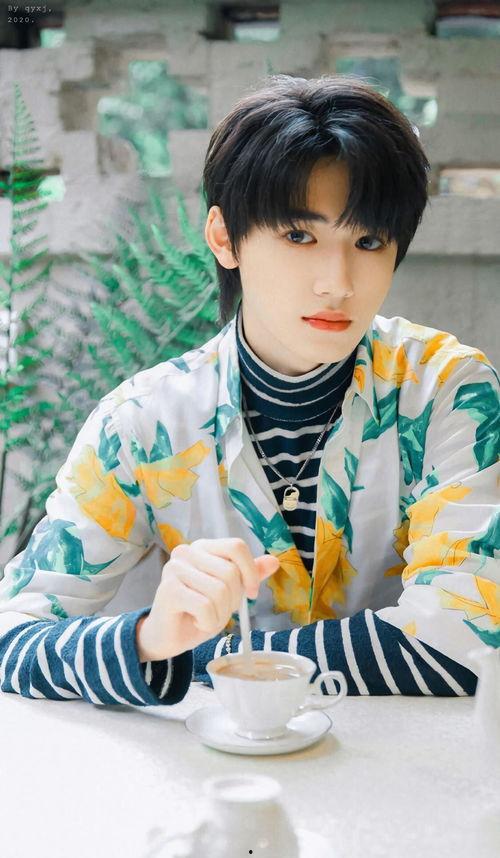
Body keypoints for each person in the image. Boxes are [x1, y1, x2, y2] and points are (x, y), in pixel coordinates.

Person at [0, 74, 498, 708]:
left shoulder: (449, 392)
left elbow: (466, 640)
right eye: (299, 236)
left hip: (406, 764)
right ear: (224, 238)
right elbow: (13, 634)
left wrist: (203, 661)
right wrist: (150, 639)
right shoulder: (143, 421)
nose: (338, 282)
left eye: (368, 241)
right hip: (209, 762)